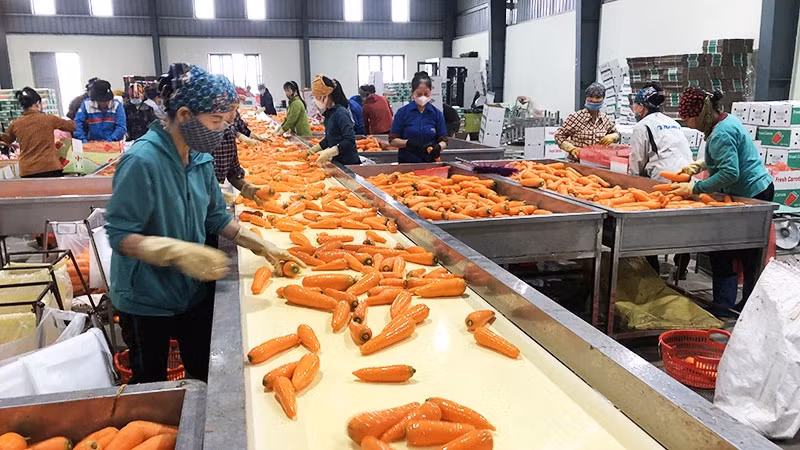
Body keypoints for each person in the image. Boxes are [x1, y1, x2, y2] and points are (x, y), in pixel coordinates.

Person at [105, 64, 302, 384]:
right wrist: (170, 251)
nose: (224, 130)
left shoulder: (200, 158)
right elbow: (119, 234)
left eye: (226, 122)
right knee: (152, 382)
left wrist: (261, 245)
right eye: (216, 121)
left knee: (201, 372)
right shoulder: (141, 161)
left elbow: (215, 217)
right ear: (184, 115)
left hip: (190, 289)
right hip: (147, 299)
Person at [671, 87, 774, 317]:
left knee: (735, 252)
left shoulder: (720, 134)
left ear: (701, 114)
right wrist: (700, 164)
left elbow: (730, 173)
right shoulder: (727, 122)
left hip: (753, 194)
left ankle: (735, 307)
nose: (688, 125)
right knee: (730, 251)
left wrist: (695, 187)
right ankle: (734, 304)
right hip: (755, 189)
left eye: (688, 119)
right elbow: (727, 156)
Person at [628, 83, 694, 276]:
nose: (634, 108)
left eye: (635, 105)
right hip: (686, 177)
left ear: (643, 106)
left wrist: (633, 184)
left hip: (662, 179)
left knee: (653, 228)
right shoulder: (672, 122)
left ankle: (652, 270)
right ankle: (681, 268)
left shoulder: (642, 126)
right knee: (682, 226)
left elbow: (637, 160)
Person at [0, 87, 75, 177]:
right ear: (38, 103)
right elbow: (72, 127)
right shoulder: (49, 119)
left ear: (22, 106)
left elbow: (5, 140)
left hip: (27, 170)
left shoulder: (15, 124)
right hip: (50, 167)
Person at [389, 72, 448, 163]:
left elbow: (444, 140)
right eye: (419, 94)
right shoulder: (403, 113)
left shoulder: (436, 114)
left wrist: (438, 147)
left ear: (431, 92)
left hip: (430, 163)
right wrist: (408, 143)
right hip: (407, 163)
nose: (423, 97)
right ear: (412, 93)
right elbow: (392, 140)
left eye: (426, 94)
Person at [554, 82, 619, 161]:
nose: (594, 100)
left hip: (598, 162)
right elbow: (559, 135)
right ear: (586, 98)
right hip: (577, 162)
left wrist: (613, 136)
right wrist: (571, 149)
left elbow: (616, 133)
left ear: (603, 99)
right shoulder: (575, 117)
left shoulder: (605, 119)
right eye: (591, 97)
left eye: (598, 97)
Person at [306, 74, 359, 165]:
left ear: (327, 95)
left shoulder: (341, 113)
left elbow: (349, 140)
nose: (317, 101)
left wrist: (331, 151)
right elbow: (330, 137)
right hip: (337, 161)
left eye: (319, 97)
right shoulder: (329, 113)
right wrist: (316, 148)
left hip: (348, 163)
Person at [212, 109, 262, 204]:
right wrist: (204, 191)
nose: (233, 116)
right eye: (228, 109)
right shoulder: (196, 143)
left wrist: (247, 188)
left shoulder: (228, 137)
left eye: (235, 110)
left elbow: (234, 173)